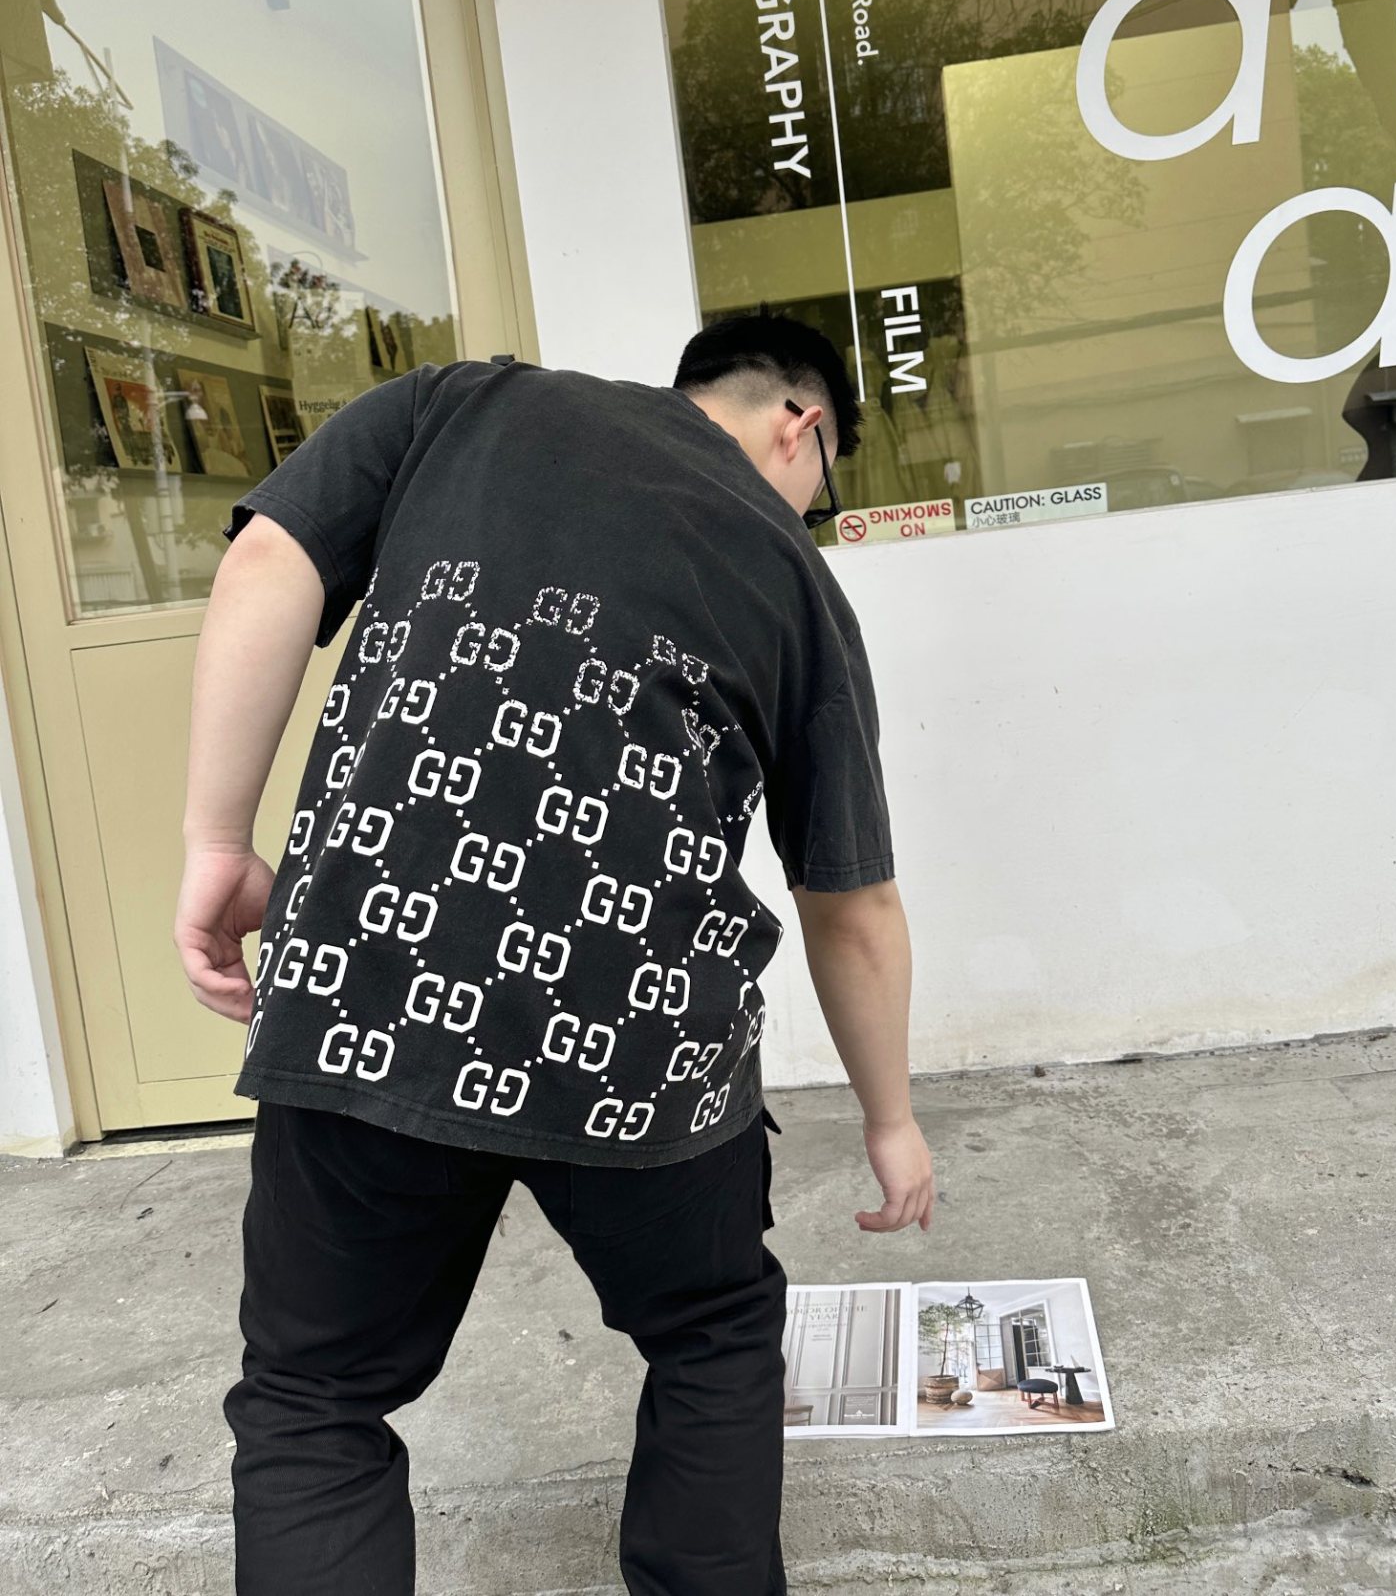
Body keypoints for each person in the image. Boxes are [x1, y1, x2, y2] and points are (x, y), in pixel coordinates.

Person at [175, 311, 934, 1596]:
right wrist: (892, 1121)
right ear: (798, 426)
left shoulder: (453, 406)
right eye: (826, 480)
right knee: (711, 1333)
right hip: (634, 1034)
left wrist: (215, 837)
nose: (811, 506)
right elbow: (849, 904)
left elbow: (267, 559)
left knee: (313, 1395)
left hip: (375, 985)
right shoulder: (793, 577)